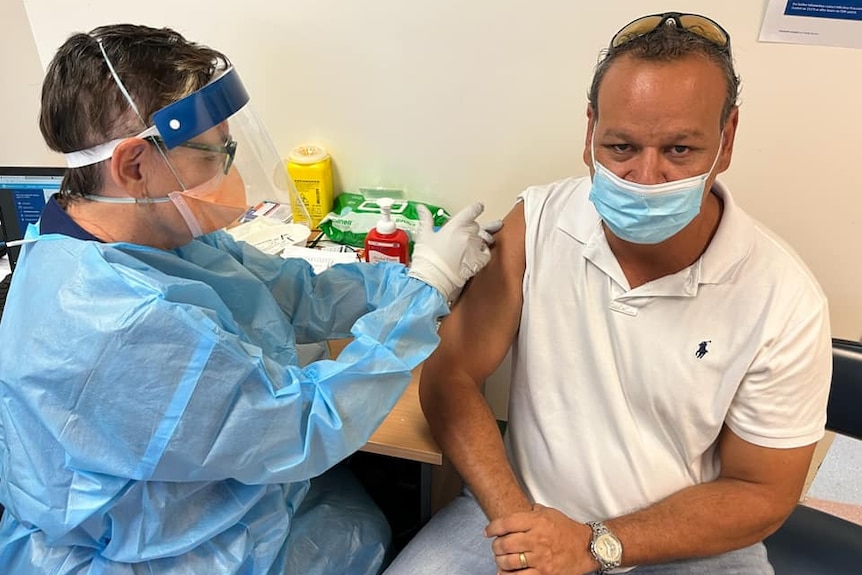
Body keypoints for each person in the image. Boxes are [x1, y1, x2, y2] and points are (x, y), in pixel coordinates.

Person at [0, 24, 498, 575]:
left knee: (367, 509)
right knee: (369, 522)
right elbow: (307, 423)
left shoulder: (135, 234)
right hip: (160, 552)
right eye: (213, 152)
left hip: (207, 492)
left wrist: (409, 277)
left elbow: (290, 291)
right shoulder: (121, 321)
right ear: (135, 166)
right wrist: (427, 292)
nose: (229, 170)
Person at [385, 11, 832, 575]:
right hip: (523, 513)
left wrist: (593, 545)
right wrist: (526, 530)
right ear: (590, 129)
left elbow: (762, 493)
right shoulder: (539, 223)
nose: (644, 179)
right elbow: (450, 376)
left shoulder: (782, 299)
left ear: (727, 139)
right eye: (621, 147)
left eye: (679, 151)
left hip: (687, 543)